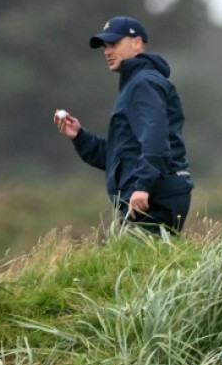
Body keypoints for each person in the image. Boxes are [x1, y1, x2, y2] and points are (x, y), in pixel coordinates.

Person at [54, 16, 194, 234]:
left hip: (154, 195)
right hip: (153, 193)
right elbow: (120, 157)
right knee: (138, 264)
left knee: (137, 265)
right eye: (105, 46)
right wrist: (79, 136)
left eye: (114, 44)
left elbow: (155, 137)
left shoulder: (143, 83)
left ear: (137, 43)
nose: (107, 51)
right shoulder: (135, 84)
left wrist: (142, 186)